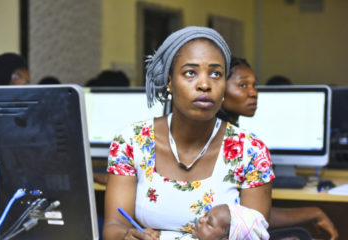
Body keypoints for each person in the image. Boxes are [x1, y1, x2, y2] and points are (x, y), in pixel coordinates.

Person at [103, 26, 274, 240]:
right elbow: (113, 225)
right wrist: (126, 236)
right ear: (170, 82)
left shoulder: (251, 151)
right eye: (190, 73)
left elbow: (255, 235)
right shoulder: (131, 141)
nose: (204, 84)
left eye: (216, 74)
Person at [219, 56, 338, 240]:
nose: (254, 93)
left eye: (254, 85)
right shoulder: (229, 144)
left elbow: (252, 212)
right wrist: (313, 212)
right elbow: (255, 218)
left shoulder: (232, 136)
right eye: (243, 85)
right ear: (218, 89)